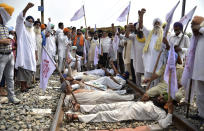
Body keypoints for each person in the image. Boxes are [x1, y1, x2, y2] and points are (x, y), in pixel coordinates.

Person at [66, 95, 173, 129]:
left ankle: (77, 117)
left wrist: (170, 113)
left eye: (162, 99)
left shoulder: (162, 113)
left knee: (104, 115)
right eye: (160, 97)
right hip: (129, 104)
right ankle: (81, 107)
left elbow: (164, 124)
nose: (159, 98)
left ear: (166, 105)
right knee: (104, 106)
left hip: (128, 113)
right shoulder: (154, 101)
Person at [0, 3, 20, 103]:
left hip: (9, 54)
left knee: (10, 78)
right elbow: (3, 40)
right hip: (1, 55)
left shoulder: (5, 27)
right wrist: (3, 41)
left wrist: (8, 39)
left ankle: (12, 97)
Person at [15, 3, 37, 92]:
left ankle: (27, 85)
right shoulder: (21, 29)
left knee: (30, 69)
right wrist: (26, 8)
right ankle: (22, 86)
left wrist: (35, 54)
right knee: (23, 69)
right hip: (23, 54)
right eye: (29, 21)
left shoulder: (32, 32)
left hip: (31, 54)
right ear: (25, 21)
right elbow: (20, 19)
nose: (30, 23)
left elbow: (34, 44)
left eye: (32, 21)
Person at [141, 10, 163, 87]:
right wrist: (141, 16)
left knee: (156, 82)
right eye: (155, 23)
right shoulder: (149, 33)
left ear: (160, 25)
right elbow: (141, 27)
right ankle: (147, 94)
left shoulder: (164, 36)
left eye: (158, 23)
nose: (157, 25)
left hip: (158, 63)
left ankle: (154, 96)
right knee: (147, 82)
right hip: (148, 62)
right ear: (153, 25)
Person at [190, 16, 204, 120]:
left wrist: (199, 28)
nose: (192, 26)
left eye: (194, 24)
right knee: (199, 95)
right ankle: (201, 114)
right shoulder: (196, 37)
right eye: (191, 24)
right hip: (198, 70)